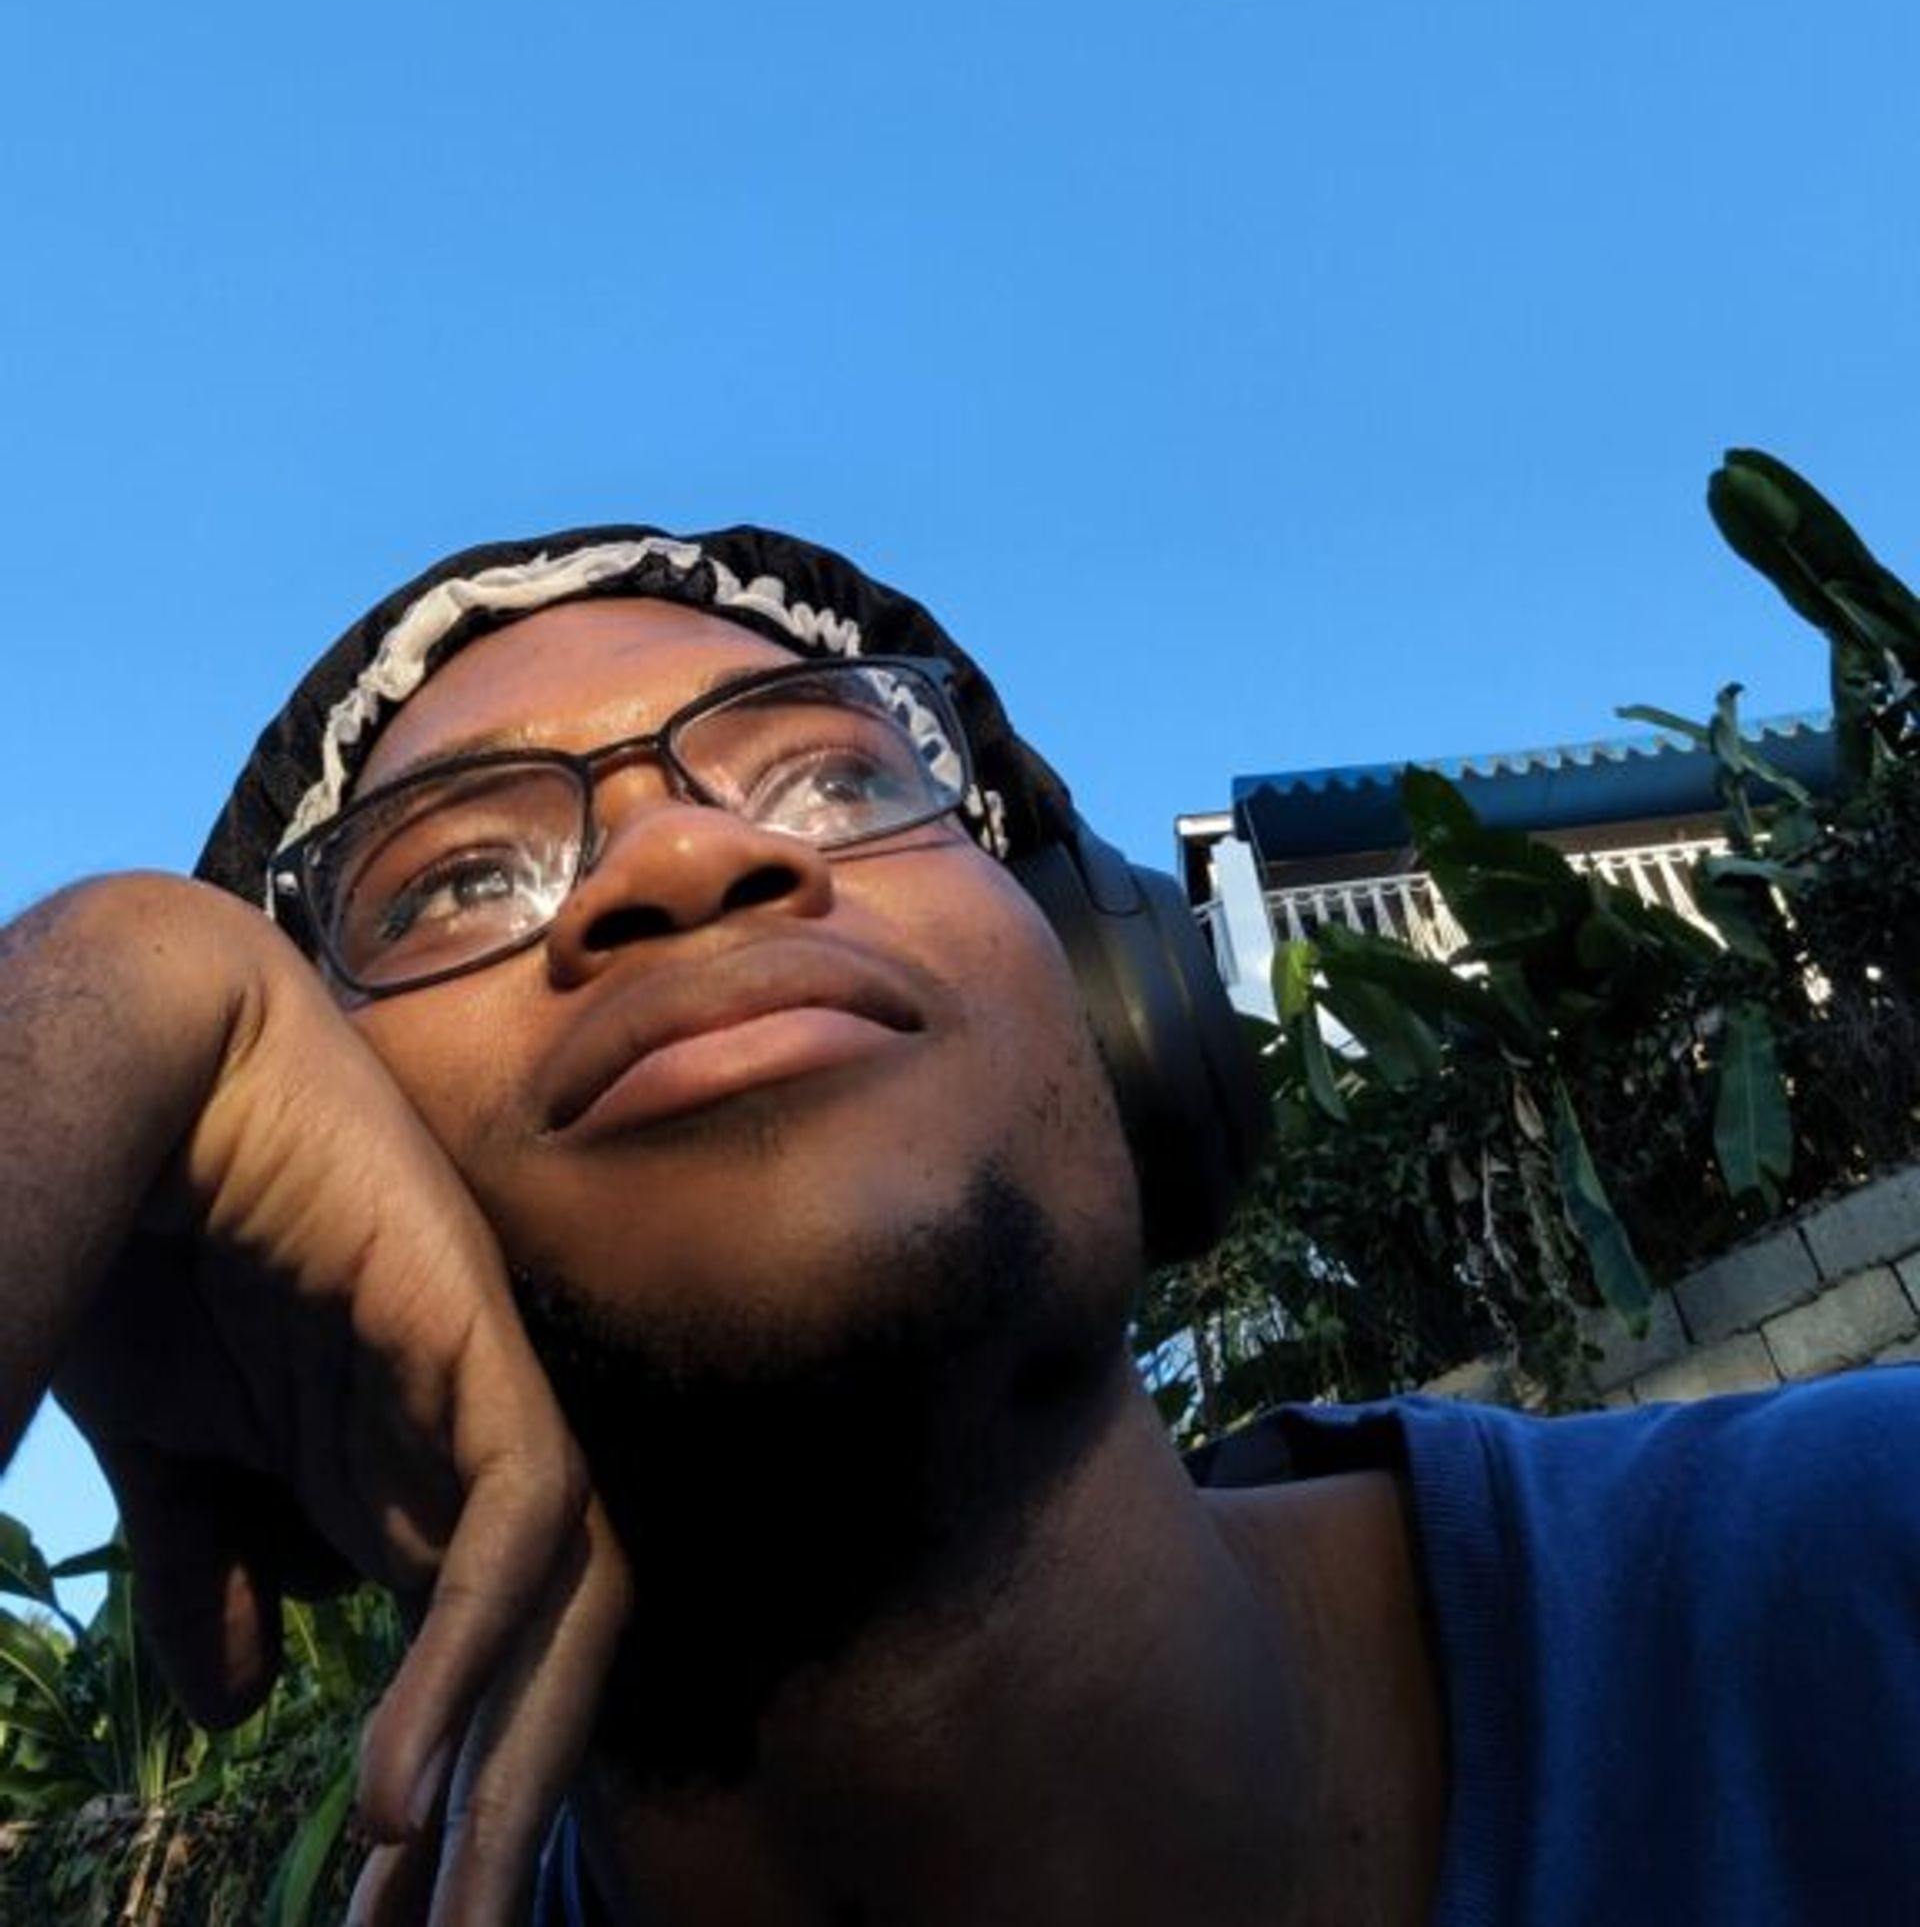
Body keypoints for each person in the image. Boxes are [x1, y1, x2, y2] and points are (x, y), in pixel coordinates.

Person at [4, 518, 1918, 1927]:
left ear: (1124, 1011)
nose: (690, 855)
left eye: (836, 772)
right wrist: (76, 1028)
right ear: (295, 1245)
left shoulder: (1862, 1572)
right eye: (458, 879)